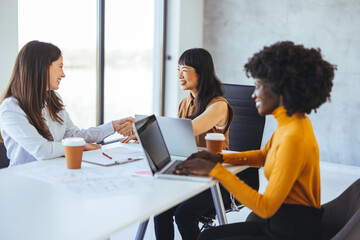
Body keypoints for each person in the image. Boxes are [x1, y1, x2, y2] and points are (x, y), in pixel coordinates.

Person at [174, 41, 336, 240]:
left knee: (206, 237)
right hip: (281, 221)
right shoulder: (293, 122)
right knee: (207, 236)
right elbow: (263, 156)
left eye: (258, 86)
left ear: (280, 89)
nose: (253, 94)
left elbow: (265, 207)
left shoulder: (294, 136)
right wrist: (219, 158)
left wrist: (216, 171)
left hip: (291, 232)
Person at [152, 48, 258, 240]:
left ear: (201, 72)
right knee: (160, 208)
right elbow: (179, 140)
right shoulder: (185, 103)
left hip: (220, 181)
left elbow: (189, 129)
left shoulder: (219, 105)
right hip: (195, 175)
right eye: (178, 69)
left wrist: (151, 132)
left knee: (184, 214)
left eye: (184, 69)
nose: (179, 75)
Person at [0, 40, 134, 167]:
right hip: (24, 180)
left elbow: (73, 135)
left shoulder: (53, 99)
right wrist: (79, 145)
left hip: (55, 171)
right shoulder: (11, 109)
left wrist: (113, 126)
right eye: (60, 67)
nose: (63, 74)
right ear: (42, 67)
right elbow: (42, 150)